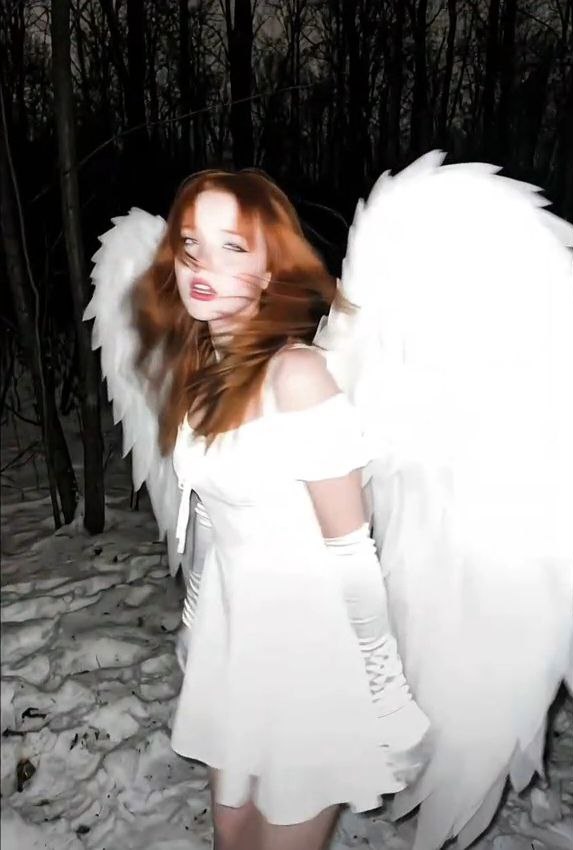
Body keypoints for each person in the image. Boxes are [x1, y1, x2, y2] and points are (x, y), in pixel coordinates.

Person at [132, 169, 430, 850]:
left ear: (271, 272)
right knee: (231, 830)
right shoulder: (202, 373)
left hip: (308, 647)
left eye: (233, 247)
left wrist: (385, 692)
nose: (203, 265)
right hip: (234, 635)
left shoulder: (297, 378)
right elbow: (210, 518)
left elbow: (351, 547)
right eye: (190, 244)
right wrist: (194, 620)